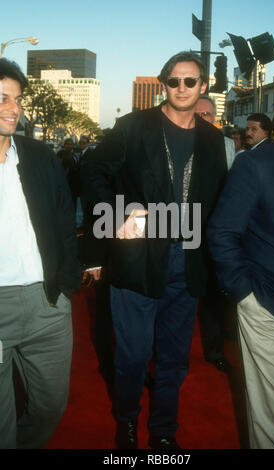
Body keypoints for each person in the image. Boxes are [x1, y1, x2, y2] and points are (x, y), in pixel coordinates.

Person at [82, 51, 227, 449]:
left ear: (203, 87)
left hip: (189, 260)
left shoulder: (215, 140)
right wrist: (116, 215)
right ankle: (127, 422)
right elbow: (91, 171)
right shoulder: (133, 127)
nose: (182, 88)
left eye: (190, 81)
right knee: (131, 356)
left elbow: (217, 200)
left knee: (175, 360)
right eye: (174, 81)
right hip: (137, 260)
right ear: (163, 84)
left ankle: (164, 432)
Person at [207, 84, 274, 449]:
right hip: (270, 306)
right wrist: (246, 296)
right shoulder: (256, 164)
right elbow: (222, 232)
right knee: (273, 421)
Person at [0, 58, 81, 449]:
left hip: (46, 303)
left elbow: (66, 219)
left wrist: (65, 283)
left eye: (17, 99)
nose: (13, 108)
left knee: (51, 407)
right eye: (2, 98)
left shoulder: (39, 156)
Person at [194, 94, 234, 372]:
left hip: (212, 230)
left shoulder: (228, 145)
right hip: (177, 227)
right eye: (197, 114)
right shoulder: (171, 141)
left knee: (212, 294)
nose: (201, 119)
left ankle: (214, 349)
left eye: (206, 114)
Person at [194, 95, 235, 169]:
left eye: (205, 114)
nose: (200, 117)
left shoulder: (228, 144)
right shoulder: (179, 142)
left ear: (214, 117)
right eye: (195, 114)